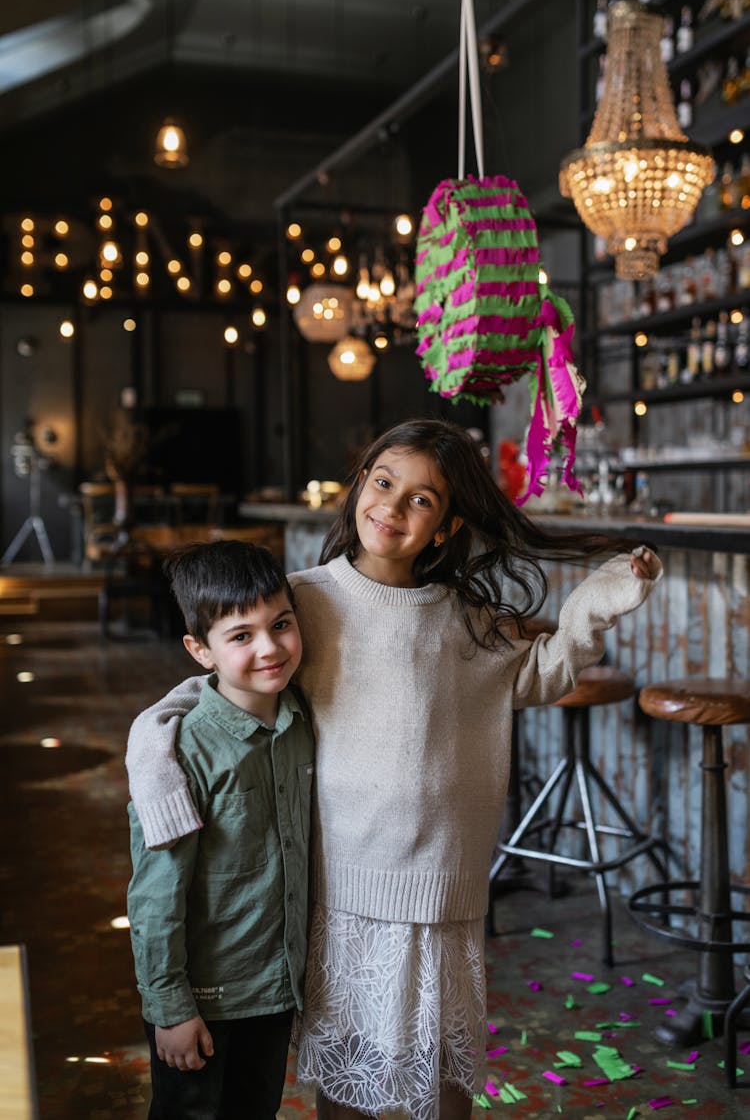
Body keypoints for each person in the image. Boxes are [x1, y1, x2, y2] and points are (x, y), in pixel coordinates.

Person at [126, 419, 662, 1120]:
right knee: (349, 1085)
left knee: (443, 1085)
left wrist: (596, 603)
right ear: (360, 485)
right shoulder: (304, 600)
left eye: (422, 500)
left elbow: (537, 674)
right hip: (344, 887)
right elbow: (206, 691)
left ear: (444, 527)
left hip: (442, 887)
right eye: (384, 482)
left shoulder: (463, 618)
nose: (393, 506)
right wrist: (151, 756)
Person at [126, 540, 315, 1120]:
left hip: (274, 988)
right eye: (241, 636)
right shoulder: (177, 756)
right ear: (199, 650)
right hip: (204, 1001)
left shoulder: (302, 721)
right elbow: (157, 895)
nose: (269, 648)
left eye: (281, 624)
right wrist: (169, 1007)